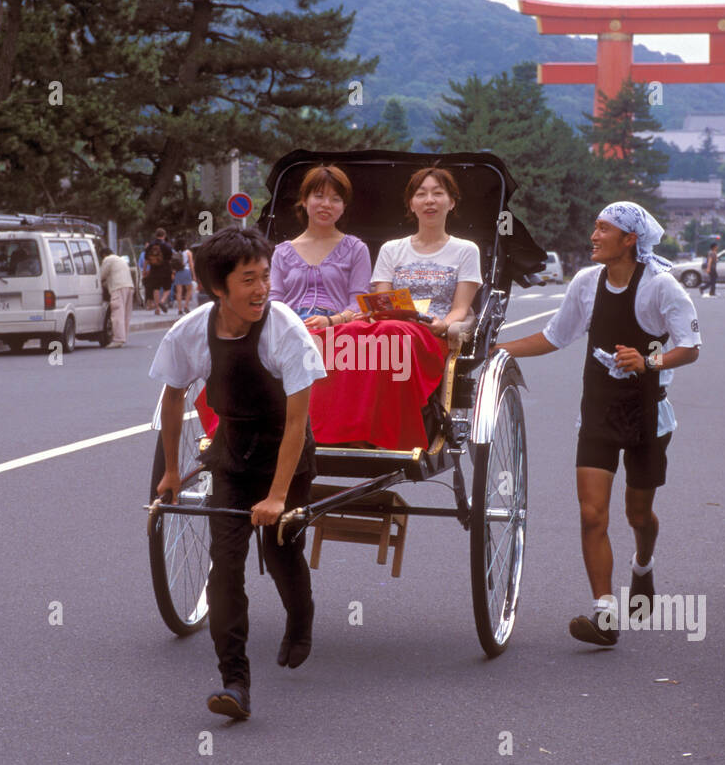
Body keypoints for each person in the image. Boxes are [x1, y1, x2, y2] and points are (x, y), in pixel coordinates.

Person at [496, 202, 700, 647]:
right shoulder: (586, 283)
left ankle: (642, 564)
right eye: (594, 226)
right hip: (599, 411)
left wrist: (649, 360)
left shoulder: (661, 287)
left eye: (603, 228)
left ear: (629, 239)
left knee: (638, 513)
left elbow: (690, 347)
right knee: (592, 514)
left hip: (648, 413)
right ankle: (605, 612)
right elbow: (554, 335)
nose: (593, 235)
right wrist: (498, 349)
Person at [150, 226, 326, 721]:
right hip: (231, 453)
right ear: (218, 288)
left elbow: (297, 421)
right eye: (248, 280)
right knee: (224, 568)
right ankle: (235, 682)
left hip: (284, 453)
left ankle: (301, 617)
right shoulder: (190, 331)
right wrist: (170, 471)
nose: (261, 289)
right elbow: (173, 395)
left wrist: (275, 498)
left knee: (279, 548)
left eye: (265, 277)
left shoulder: (285, 328)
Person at [307, 166, 481, 451]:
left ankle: (384, 433)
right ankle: (331, 429)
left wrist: (444, 325)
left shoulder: (465, 250)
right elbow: (381, 301)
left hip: (430, 334)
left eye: (438, 194)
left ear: (452, 202)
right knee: (341, 336)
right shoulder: (392, 249)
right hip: (390, 325)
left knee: (390, 335)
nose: (429, 201)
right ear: (411, 203)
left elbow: (461, 308)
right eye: (421, 194)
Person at [269, 164, 370, 328]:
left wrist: (331, 321)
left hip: (339, 331)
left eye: (335, 199)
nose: (326, 204)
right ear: (304, 200)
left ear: (343, 207)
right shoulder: (281, 252)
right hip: (291, 329)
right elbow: (274, 302)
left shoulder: (357, 249)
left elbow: (359, 303)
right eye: (319, 196)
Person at [99, 245, 135, 347]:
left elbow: (101, 276)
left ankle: (118, 339)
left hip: (118, 287)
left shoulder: (108, 259)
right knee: (125, 314)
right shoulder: (120, 259)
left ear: (104, 255)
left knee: (117, 313)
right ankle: (123, 337)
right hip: (129, 286)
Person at [144, 228, 176, 315]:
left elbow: (146, 260)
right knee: (168, 288)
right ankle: (162, 301)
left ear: (156, 235)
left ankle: (157, 309)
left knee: (156, 288)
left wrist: (145, 271)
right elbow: (171, 260)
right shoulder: (167, 246)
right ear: (164, 235)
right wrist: (173, 271)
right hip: (166, 269)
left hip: (154, 269)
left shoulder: (150, 246)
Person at [172, 237, 196, 315]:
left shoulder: (175, 252)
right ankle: (186, 306)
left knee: (179, 291)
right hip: (186, 271)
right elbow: (191, 264)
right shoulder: (188, 252)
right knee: (189, 289)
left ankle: (179, 309)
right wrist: (194, 275)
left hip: (178, 272)